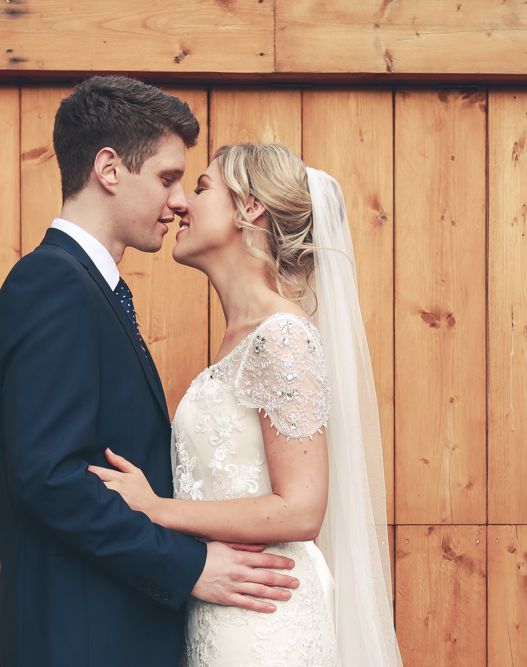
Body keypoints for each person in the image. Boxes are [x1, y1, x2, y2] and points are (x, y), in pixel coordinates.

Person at [0, 77, 300, 667]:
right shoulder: (55, 283)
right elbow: (48, 477)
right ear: (109, 169)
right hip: (80, 640)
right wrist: (190, 566)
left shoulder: (89, 289)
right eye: (167, 178)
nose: (181, 200)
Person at [88, 143, 403, 665]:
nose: (181, 203)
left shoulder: (280, 337)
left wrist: (157, 509)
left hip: (267, 621)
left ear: (250, 207)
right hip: (222, 610)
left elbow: (301, 508)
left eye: (203, 187)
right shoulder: (238, 341)